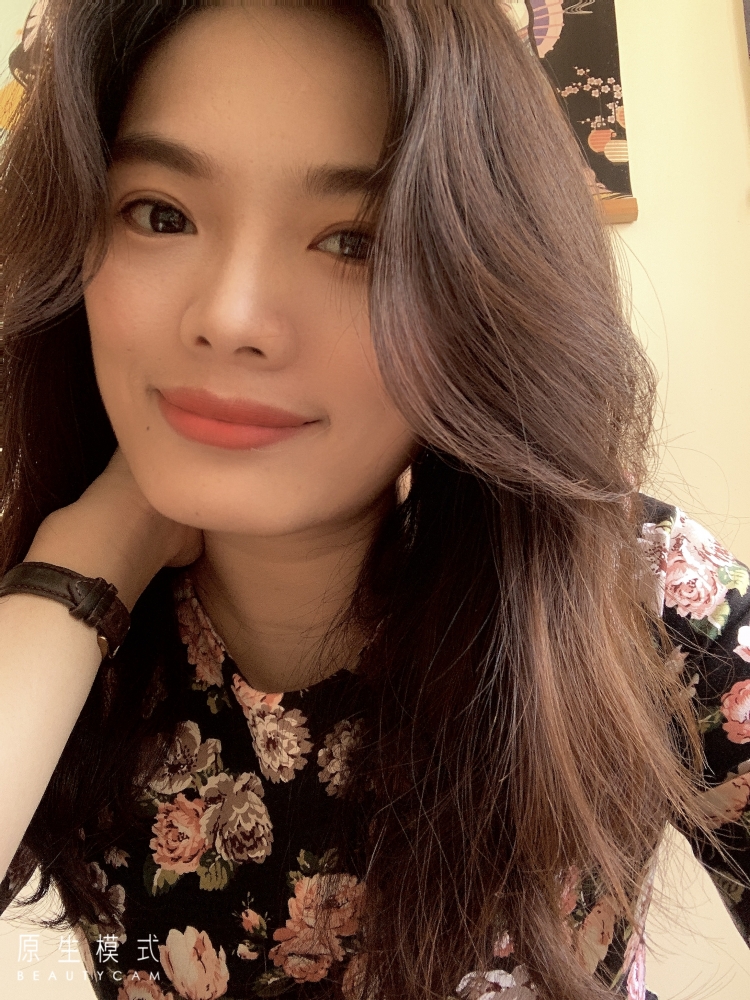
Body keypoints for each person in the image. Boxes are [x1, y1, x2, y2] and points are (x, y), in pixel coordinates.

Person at [0, 3, 749, 999]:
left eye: (354, 241)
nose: (228, 318)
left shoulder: (638, 590)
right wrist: (84, 565)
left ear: (479, 294)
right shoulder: (48, 611)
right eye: (161, 213)